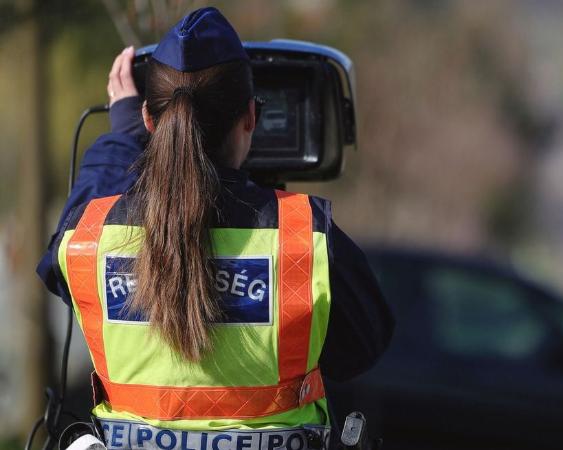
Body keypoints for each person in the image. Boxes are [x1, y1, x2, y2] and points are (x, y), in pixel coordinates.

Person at [36, 7, 393, 449]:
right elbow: (362, 349)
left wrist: (120, 140)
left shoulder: (90, 238)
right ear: (251, 117)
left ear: (149, 121)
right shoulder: (305, 236)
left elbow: (68, 244)